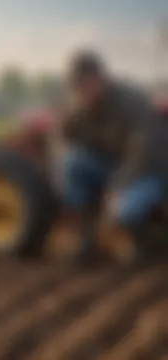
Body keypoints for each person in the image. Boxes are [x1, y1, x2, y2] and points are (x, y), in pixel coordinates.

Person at [57, 49, 168, 264]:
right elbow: (64, 137)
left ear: (101, 78)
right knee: (72, 162)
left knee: (125, 210)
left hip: (150, 171)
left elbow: (143, 154)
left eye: (86, 84)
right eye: (77, 87)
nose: (82, 91)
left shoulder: (132, 103)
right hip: (114, 167)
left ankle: (140, 239)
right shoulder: (79, 108)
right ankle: (85, 236)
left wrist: (116, 188)